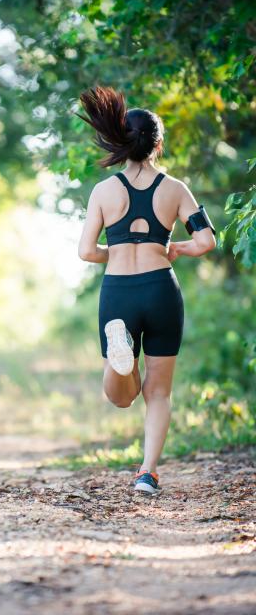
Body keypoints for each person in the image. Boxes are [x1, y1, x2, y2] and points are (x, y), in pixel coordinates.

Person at [75, 86, 216, 494]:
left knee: (122, 396)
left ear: (121, 140)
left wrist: (117, 251)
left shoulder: (104, 191)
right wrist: (173, 249)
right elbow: (206, 241)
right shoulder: (175, 188)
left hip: (118, 290)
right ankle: (147, 474)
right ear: (158, 143)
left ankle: (121, 364)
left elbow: (86, 251)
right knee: (159, 392)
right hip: (160, 289)